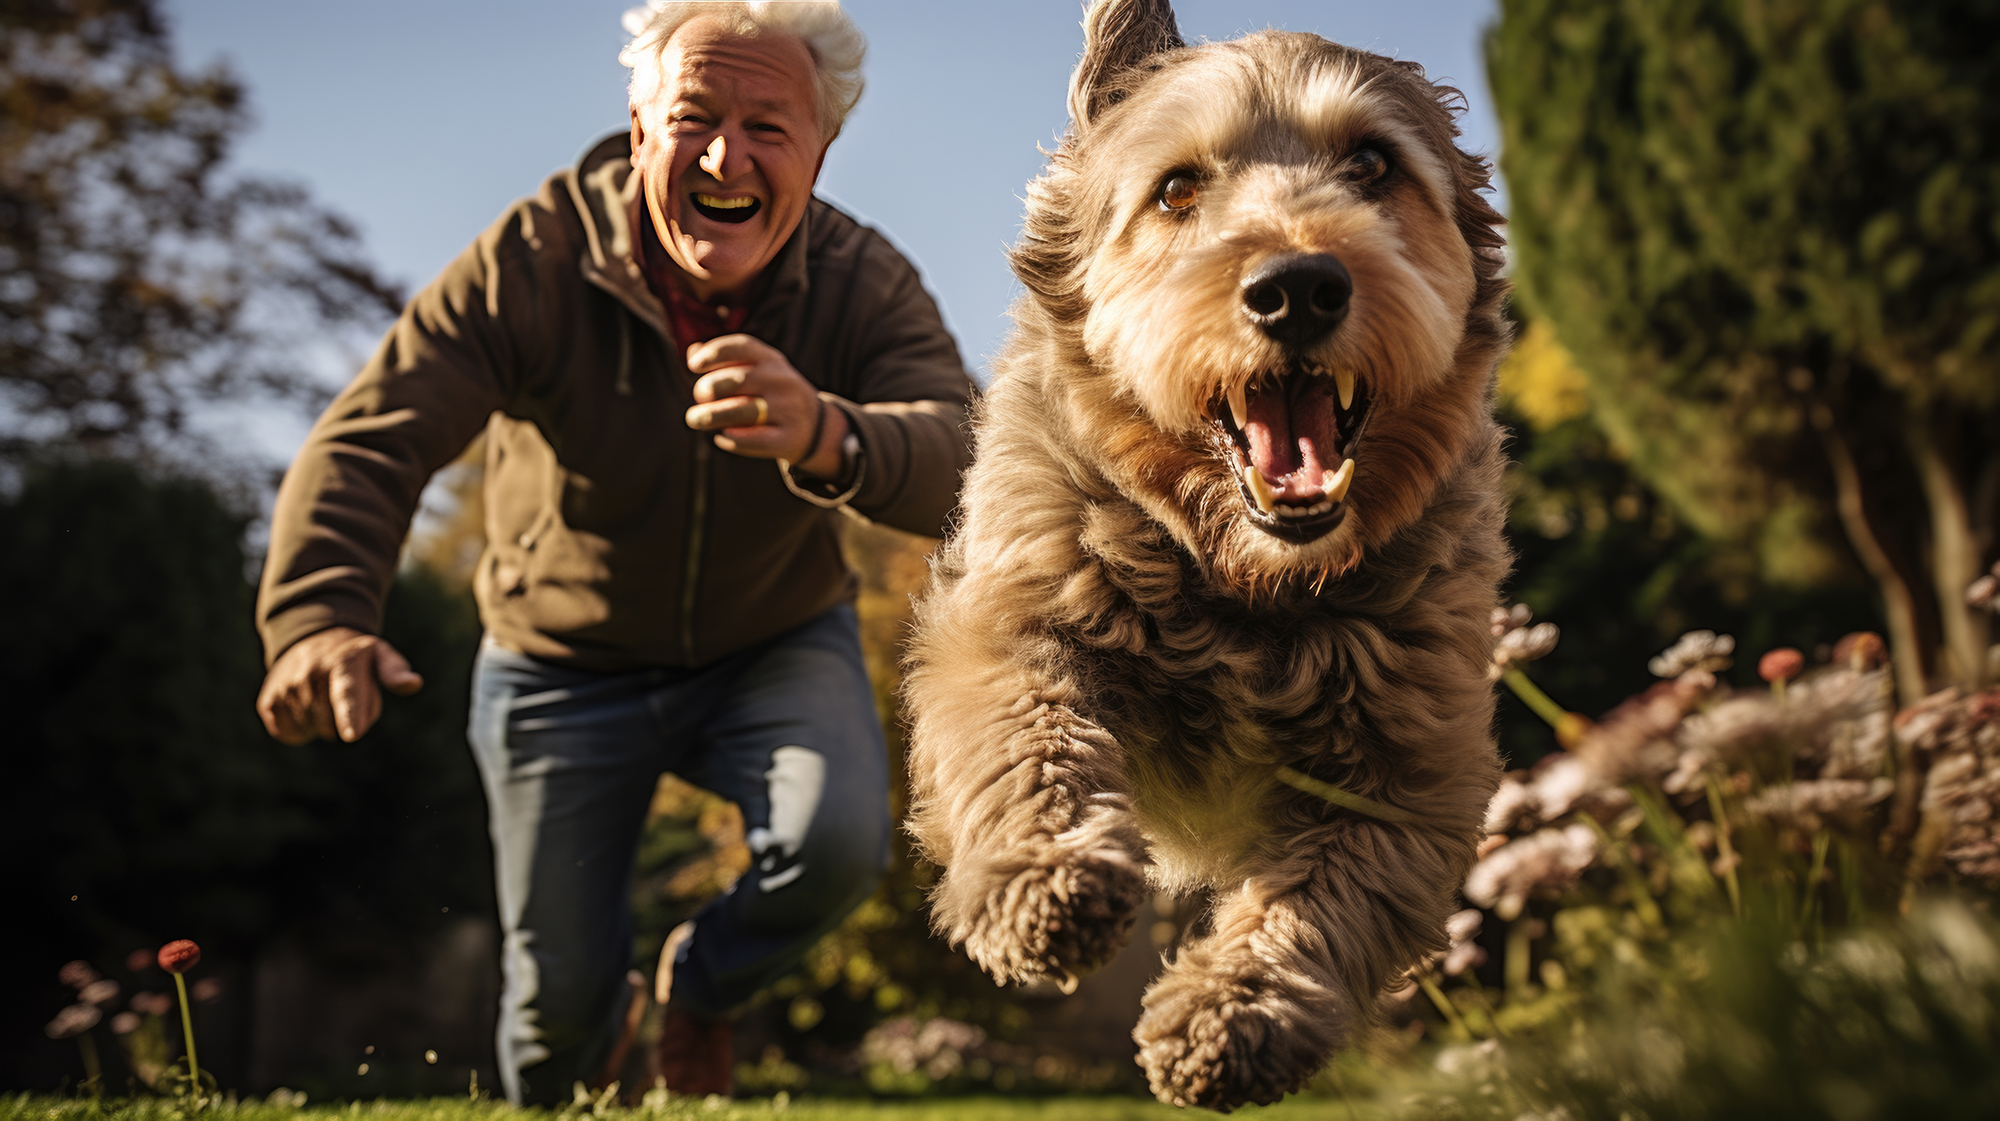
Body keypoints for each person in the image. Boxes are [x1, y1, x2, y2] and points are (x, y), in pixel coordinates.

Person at [251, 1, 973, 1104]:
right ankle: (596, 1038)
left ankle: (704, 984)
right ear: (639, 130)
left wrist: (833, 432)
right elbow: (375, 433)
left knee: (833, 844)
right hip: (557, 662)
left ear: (821, 150)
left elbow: (976, 461)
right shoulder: (535, 259)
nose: (727, 155)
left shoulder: (858, 280)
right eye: (694, 117)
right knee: (553, 1019)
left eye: (770, 128)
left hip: (771, 640)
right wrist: (319, 616)